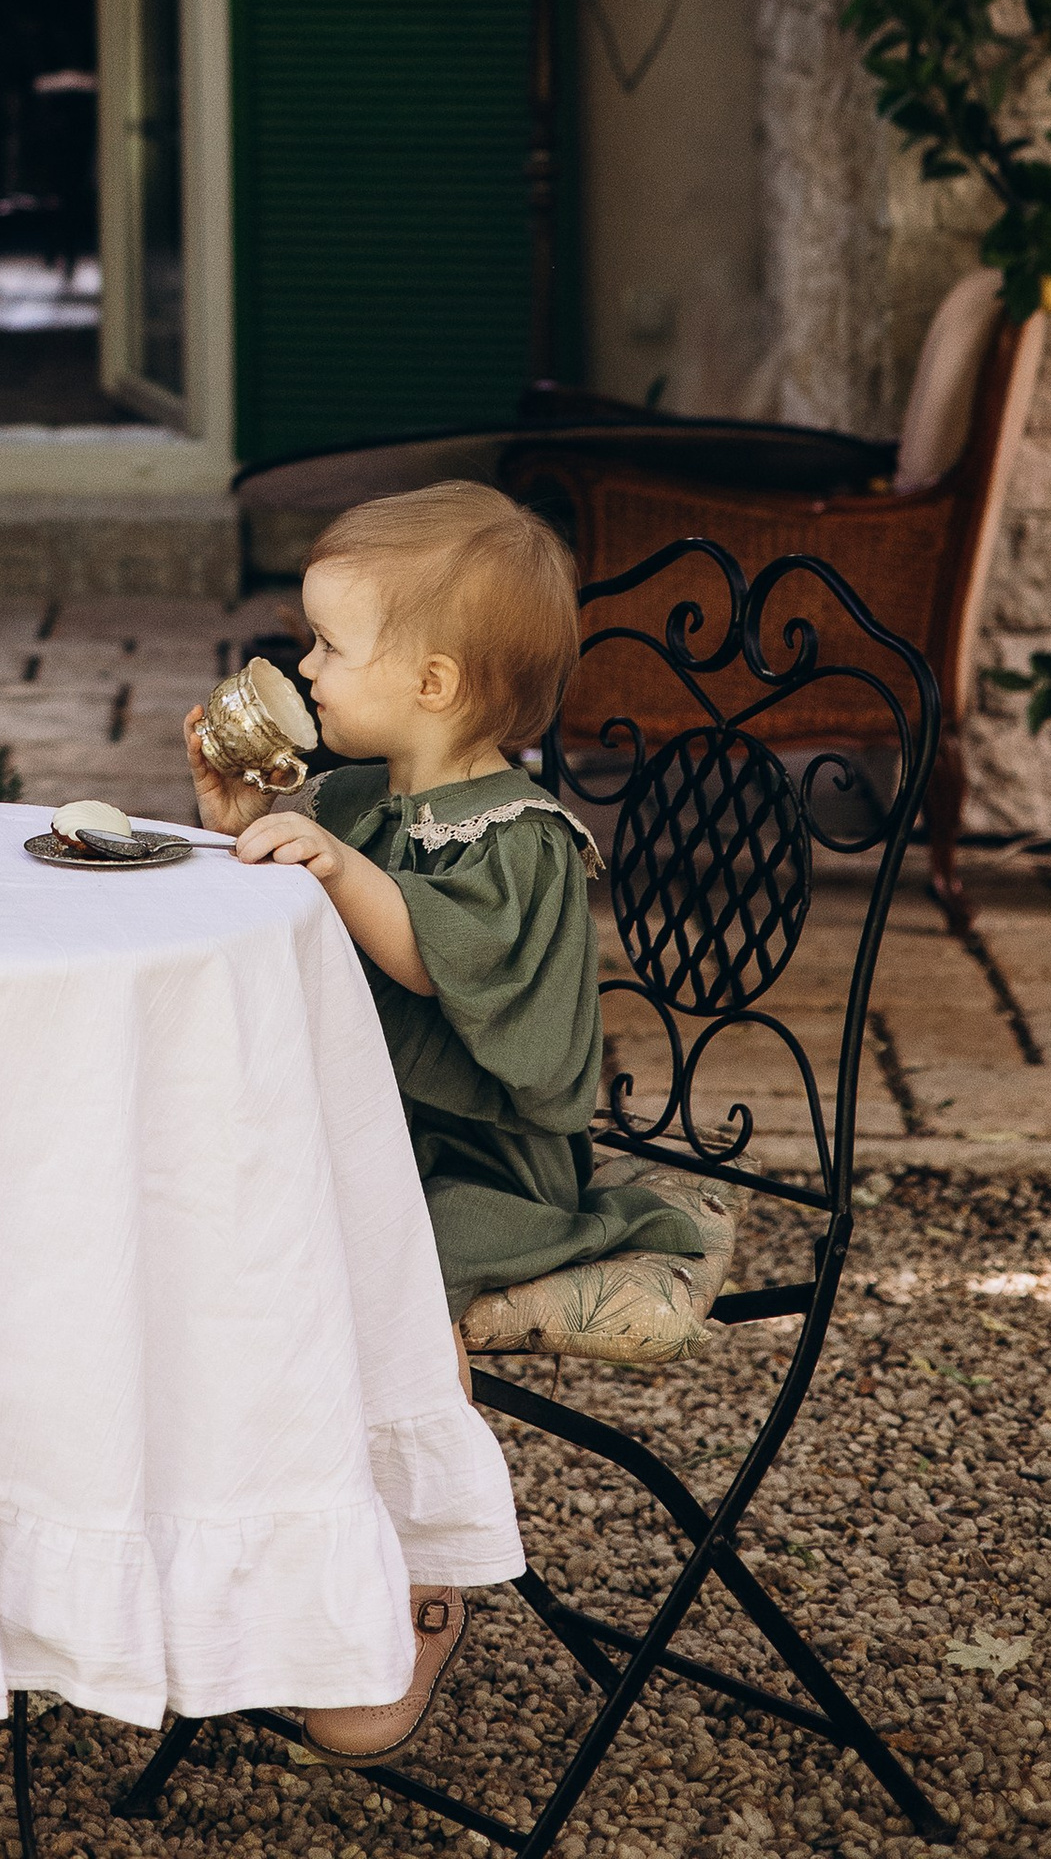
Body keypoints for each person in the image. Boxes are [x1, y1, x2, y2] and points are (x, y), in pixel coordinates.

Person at [184, 479, 705, 1767]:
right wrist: (243, 825)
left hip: (472, 1168)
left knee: (383, 1286)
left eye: (326, 648)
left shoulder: (522, 837)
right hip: (360, 1137)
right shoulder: (357, 800)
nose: (301, 669)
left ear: (431, 682)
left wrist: (336, 868)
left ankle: (414, 1585)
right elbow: (295, 933)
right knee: (197, 1227)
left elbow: (433, 960)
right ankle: (257, 1554)